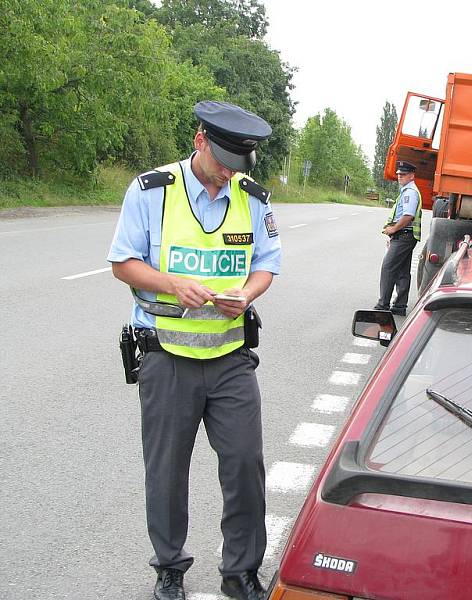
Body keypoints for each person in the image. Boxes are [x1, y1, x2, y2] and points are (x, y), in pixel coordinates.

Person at [107, 101, 281, 600]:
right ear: (200, 140)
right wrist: (169, 283)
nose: (227, 172)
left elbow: (266, 264)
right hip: (165, 356)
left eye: (236, 164)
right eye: (221, 160)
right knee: (166, 470)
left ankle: (240, 571)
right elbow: (123, 262)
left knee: (246, 463)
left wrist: (245, 294)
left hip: (230, 358)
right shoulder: (151, 191)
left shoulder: (253, 198)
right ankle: (169, 569)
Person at [374, 160, 422, 316]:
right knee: (402, 271)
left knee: (388, 268)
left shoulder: (410, 193)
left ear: (412, 176)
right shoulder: (407, 191)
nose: (400, 177)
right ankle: (399, 306)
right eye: (399, 175)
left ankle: (383, 305)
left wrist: (394, 229)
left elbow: (408, 215)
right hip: (404, 235)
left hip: (404, 235)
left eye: (404, 174)